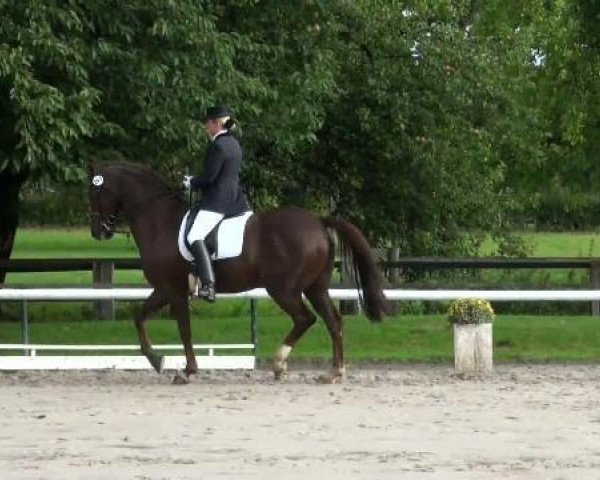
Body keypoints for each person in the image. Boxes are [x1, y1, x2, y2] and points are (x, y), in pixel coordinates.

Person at [182, 105, 251, 302]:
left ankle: (208, 286)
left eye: (207, 123)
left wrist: (191, 182)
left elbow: (210, 177)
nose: (205, 127)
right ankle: (197, 271)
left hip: (218, 201)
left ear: (215, 123)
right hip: (236, 199)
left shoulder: (218, 146)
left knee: (195, 235)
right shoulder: (234, 144)